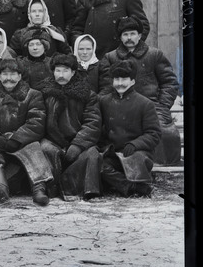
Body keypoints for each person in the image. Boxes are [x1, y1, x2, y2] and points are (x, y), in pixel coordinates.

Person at [98, 17, 181, 165]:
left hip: (153, 105)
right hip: (119, 105)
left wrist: (162, 105)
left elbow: (170, 83)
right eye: (125, 34)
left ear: (140, 35)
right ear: (120, 37)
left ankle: (160, 167)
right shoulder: (110, 57)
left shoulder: (154, 55)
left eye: (132, 33)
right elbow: (105, 87)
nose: (129, 38)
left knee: (164, 132)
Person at [0, 57, 52, 205]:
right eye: (4, 74)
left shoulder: (33, 95)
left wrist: (17, 138)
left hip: (22, 140)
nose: (8, 78)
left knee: (34, 149)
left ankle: (38, 189)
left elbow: (36, 121)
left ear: (19, 76)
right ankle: (0, 188)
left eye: (12, 74)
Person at [38, 54, 102, 200]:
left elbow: (92, 122)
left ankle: (88, 191)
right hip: (52, 140)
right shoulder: (44, 92)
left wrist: (78, 145)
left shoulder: (87, 94)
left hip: (78, 139)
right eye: (58, 71)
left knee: (92, 154)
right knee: (45, 149)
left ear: (73, 72)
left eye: (65, 70)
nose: (61, 75)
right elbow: (40, 119)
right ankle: (52, 189)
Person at [97, 58, 161, 197]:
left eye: (124, 79)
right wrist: (103, 147)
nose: (120, 83)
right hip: (113, 152)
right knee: (98, 166)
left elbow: (154, 133)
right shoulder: (103, 101)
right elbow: (99, 128)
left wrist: (135, 143)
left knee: (136, 160)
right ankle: (133, 186)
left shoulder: (145, 104)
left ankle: (124, 183)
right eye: (116, 79)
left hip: (137, 152)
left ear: (132, 81)